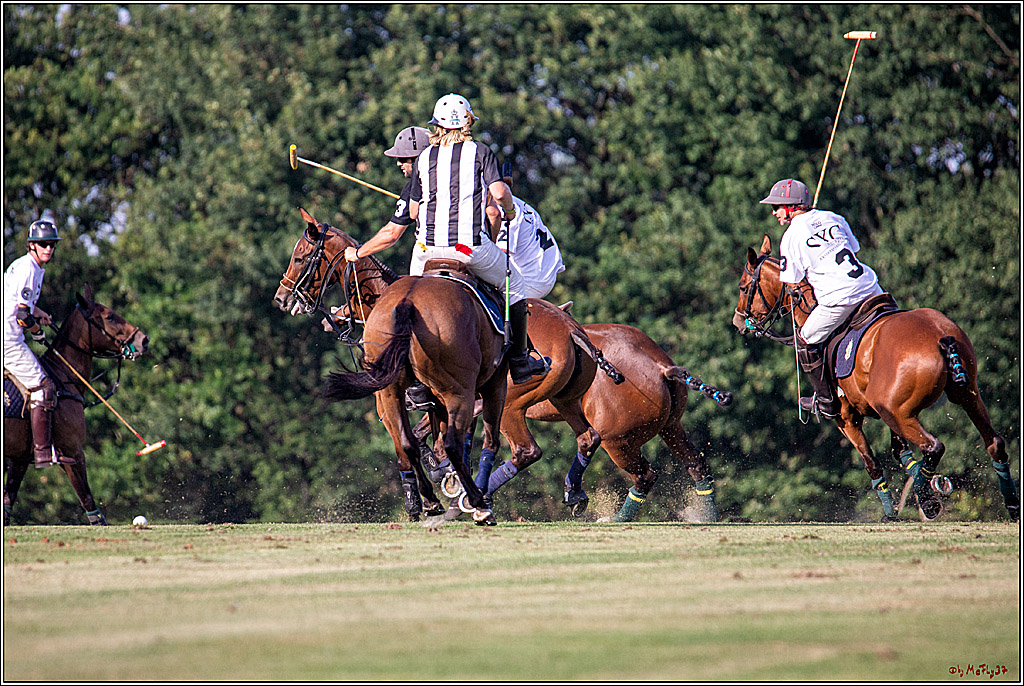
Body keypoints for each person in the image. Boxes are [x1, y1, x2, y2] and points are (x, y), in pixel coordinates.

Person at [347, 93, 548, 385]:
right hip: (468, 249)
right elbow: (501, 194)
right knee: (514, 284)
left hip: (426, 251)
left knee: (409, 296)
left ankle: (411, 380)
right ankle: (519, 361)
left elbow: (414, 211)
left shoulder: (424, 158)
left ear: (436, 125)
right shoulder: (480, 151)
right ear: (468, 122)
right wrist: (511, 211)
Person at [759, 178, 883, 418]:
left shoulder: (791, 236)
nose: (774, 212)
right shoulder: (835, 217)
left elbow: (792, 282)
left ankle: (826, 401)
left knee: (805, 338)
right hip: (870, 287)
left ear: (792, 206)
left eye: (777, 206)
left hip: (839, 299)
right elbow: (853, 250)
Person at [3, 219, 75, 468]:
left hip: (9, 337)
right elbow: (22, 316)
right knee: (44, 387)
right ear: (31, 245)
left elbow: (19, 303)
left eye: (52, 245)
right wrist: (36, 332)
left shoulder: (26, 266)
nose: (49, 249)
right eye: (44, 244)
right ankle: (43, 453)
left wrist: (39, 312)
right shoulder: (29, 269)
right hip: (8, 341)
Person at [487, 176, 565, 300]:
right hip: (544, 272)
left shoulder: (502, 209)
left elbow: (501, 254)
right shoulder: (514, 202)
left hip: (530, 280)